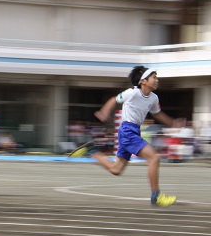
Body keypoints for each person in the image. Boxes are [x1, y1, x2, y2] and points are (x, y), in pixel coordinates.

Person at [71, 66, 181, 207]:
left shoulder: (154, 98)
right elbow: (114, 100)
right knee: (154, 158)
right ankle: (156, 196)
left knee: (116, 170)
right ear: (143, 81)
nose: (157, 80)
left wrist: (172, 123)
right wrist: (104, 112)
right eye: (154, 77)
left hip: (134, 132)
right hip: (127, 131)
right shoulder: (132, 93)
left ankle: (91, 151)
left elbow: (158, 113)